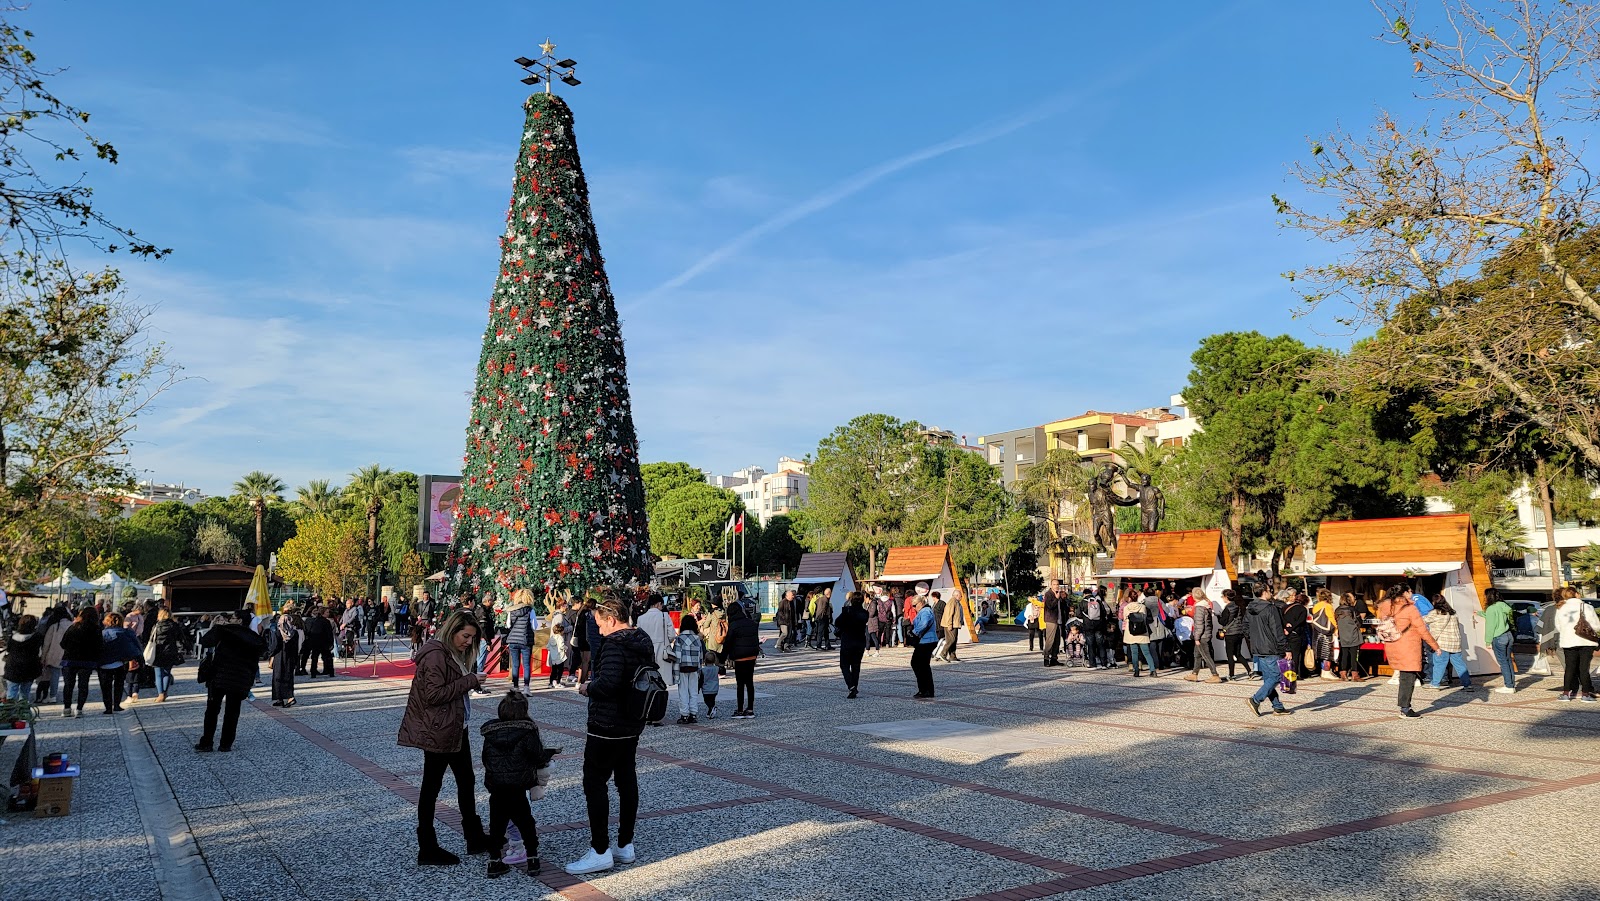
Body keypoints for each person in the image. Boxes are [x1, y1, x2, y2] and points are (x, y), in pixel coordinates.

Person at [566, 588, 652, 876]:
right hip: (632, 722)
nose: (599, 630)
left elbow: (610, 683)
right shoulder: (642, 640)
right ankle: (625, 844)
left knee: (594, 782)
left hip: (607, 724)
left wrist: (588, 687)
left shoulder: (615, 644)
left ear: (612, 619)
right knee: (626, 780)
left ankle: (600, 850)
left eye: (601, 624)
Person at [399, 608, 491, 865]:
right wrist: (470, 680)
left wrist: (469, 680)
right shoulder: (436, 655)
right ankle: (427, 847)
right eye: (465, 636)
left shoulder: (450, 653)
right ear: (452, 631)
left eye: (472, 638)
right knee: (431, 787)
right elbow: (434, 695)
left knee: (466, 781)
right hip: (439, 730)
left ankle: (474, 837)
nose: (468, 642)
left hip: (454, 727)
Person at [481, 689, 557, 878]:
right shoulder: (527, 732)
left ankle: (494, 861)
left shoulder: (490, 734)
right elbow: (538, 757)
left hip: (497, 788)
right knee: (526, 823)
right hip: (517, 787)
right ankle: (532, 859)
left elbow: (485, 759)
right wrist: (549, 753)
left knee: (496, 825)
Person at [195, 610, 268, 752]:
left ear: (239, 620)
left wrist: (215, 627)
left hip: (219, 676)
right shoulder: (254, 638)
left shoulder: (224, 631)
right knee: (232, 712)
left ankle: (207, 742)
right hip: (239, 679)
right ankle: (226, 744)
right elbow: (255, 662)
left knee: (212, 710)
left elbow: (205, 642)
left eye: (233, 618)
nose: (230, 620)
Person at [1376, 584, 1438, 718]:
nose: (1412, 593)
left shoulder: (1385, 607)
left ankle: (1404, 706)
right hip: (1408, 646)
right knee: (1408, 677)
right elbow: (1422, 629)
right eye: (1410, 591)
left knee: (1405, 676)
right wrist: (1435, 646)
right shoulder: (1410, 609)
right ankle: (1405, 708)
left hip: (1392, 644)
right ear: (1405, 593)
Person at [1245, 587, 1292, 717]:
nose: (1271, 592)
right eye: (1269, 590)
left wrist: (1254, 639)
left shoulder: (1249, 608)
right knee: (1277, 676)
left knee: (1268, 679)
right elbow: (1277, 630)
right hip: (1271, 648)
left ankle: (1278, 707)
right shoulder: (1270, 608)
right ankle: (1255, 699)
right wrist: (1286, 648)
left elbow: (1245, 627)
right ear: (1264, 592)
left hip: (1258, 647)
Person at [1553, 586, 1599, 702]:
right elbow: (1596, 626)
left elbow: (1558, 627)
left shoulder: (1561, 608)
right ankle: (1585, 694)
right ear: (1576, 594)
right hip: (1586, 641)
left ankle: (1566, 694)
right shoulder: (1587, 607)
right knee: (1584, 668)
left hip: (1568, 641)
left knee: (1570, 668)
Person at [1424, 596, 1473, 691]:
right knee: (1459, 664)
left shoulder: (1435, 613)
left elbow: (1423, 620)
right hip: (1455, 643)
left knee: (1439, 664)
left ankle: (1435, 684)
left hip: (1442, 643)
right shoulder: (1453, 613)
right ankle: (1467, 685)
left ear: (1434, 603)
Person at [59, 609, 102, 717]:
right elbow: (99, 646)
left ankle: (67, 708)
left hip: (70, 660)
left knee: (68, 685)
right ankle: (79, 709)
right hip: (87, 661)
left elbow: (63, 643)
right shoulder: (96, 629)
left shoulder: (73, 627)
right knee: (83, 685)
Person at [98, 612, 142, 714]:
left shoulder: (101, 634)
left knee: (105, 687)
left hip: (104, 664)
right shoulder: (126, 633)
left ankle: (108, 707)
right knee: (119, 685)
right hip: (120, 663)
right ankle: (117, 705)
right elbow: (135, 647)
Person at [724, 601, 761, 719]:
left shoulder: (734, 625)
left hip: (739, 657)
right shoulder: (752, 623)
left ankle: (740, 710)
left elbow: (728, 642)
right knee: (749, 682)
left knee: (740, 684)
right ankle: (750, 709)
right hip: (751, 656)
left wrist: (722, 657)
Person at [669, 614, 704, 723]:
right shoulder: (697, 639)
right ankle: (693, 714)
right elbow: (700, 656)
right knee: (693, 692)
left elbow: (676, 656)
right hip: (694, 668)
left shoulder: (679, 639)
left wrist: (675, 673)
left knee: (683, 692)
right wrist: (699, 669)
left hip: (683, 668)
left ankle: (684, 715)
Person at [834, 591, 870, 699]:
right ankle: (854, 686)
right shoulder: (865, 613)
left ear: (852, 600)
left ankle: (851, 686)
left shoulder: (847, 611)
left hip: (848, 641)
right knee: (856, 666)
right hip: (860, 641)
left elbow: (837, 622)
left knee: (844, 665)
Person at [1481, 588, 1517, 694]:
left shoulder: (1491, 608)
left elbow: (1490, 626)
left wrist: (1487, 641)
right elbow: (1499, 617)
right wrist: (1481, 613)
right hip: (1508, 635)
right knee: (1508, 660)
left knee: (1503, 662)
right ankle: (1511, 684)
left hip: (1499, 637)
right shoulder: (1503, 605)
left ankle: (1509, 686)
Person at [33, 604, 71, 705]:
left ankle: (53, 695)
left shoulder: (54, 627)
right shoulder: (72, 625)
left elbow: (46, 643)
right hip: (70, 655)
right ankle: (68, 695)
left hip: (55, 655)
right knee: (69, 677)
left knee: (55, 676)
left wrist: (43, 657)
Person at [1184, 588, 1223, 683]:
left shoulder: (1199, 607)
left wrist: (1196, 638)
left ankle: (1215, 675)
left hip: (1202, 636)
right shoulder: (1206, 605)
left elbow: (1199, 624)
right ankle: (1194, 674)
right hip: (1206, 633)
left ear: (1194, 596)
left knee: (1206, 656)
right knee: (1197, 655)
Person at [147, 609, 186, 703]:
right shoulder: (174, 625)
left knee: (158, 674)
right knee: (167, 673)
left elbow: (151, 638)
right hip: (170, 651)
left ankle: (160, 694)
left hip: (158, 651)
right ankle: (165, 692)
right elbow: (181, 638)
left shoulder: (157, 626)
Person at [504, 589, 540, 691]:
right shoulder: (530, 610)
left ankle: (515, 687)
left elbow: (508, 625)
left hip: (513, 640)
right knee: (526, 665)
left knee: (515, 665)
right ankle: (526, 687)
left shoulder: (511, 610)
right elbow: (535, 626)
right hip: (525, 639)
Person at [3, 614, 44, 701]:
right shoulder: (37, 637)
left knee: (11, 693)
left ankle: (10, 708)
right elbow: (40, 652)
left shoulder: (13, 637)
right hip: (29, 668)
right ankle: (23, 708)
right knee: (25, 693)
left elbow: (8, 650)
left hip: (13, 668)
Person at [266, 606, 300, 708]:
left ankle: (285, 698)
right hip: (291, 657)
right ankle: (285, 698)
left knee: (278, 677)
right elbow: (296, 647)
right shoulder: (294, 633)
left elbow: (275, 646)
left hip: (279, 657)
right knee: (288, 676)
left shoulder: (278, 632)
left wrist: (270, 655)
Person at [635, 594, 675, 676]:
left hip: (647, 653)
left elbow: (639, 637)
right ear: (659, 604)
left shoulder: (641, 618)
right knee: (664, 679)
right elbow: (672, 636)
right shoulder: (665, 616)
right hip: (663, 654)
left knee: (649, 678)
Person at [907, 591, 938, 699]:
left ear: (920, 603)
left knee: (918, 664)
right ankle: (926, 689)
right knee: (922, 665)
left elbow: (924, 624)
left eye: (914, 605)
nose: (914, 608)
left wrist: (914, 632)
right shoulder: (925, 610)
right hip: (926, 641)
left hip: (927, 641)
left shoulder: (925, 611)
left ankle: (925, 690)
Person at [1121, 589, 1157, 677]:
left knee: (1134, 652)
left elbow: (1125, 619)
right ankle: (1153, 670)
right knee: (1146, 652)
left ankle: (1136, 671)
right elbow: (1144, 617)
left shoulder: (1126, 608)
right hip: (1142, 631)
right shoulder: (1142, 607)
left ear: (1129, 598)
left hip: (1131, 632)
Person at [1218, 589, 1253, 679]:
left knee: (1230, 655)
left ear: (1226, 597)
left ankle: (1231, 675)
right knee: (1238, 654)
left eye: (1222, 596)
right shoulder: (1238, 606)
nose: (1222, 598)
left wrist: (1218, 617)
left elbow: (1223, 621)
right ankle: (1249, 671)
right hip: (1239, 632)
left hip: (1230, 633)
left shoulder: (1227, 608)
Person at [1334, 592, 1366, 681]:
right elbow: (1359, 622)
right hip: (1353, 634)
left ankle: (1343, 674)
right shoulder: (1353, 610)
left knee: (1344, 654)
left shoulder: (1337, 610)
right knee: (1353, 655)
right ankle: (1355, 675)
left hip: (1343, 634)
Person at [1078, 590, 1109, 669]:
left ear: (1084, 594)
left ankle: (1093, 664)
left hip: (1088, 626)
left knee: (1090, 645)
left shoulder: (1082, 602)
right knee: (1101, 644)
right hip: (1099, 626)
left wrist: (1086, 618)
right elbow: (1104, 613)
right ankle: (1104, 663)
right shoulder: (1098, 601)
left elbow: (1078, 614)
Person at [302, 605, 336, 678]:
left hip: (315, 642)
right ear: (323, 613)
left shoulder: (315, 621)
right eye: (327, 612)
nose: (328, 614)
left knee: (315, 658)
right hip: (324, 642)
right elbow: (329, 633)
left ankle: (313, 672)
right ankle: (330, 672)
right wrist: (331, 642)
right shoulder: (326, 621)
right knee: (328, 657)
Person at [1040, 580, 1067, 666]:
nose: (1056, 586)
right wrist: (1056, 598)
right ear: (1051, 585)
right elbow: (1050, 606)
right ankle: (1046, 658)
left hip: (1059, 620)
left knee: (1057, 641)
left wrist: (1063, 599)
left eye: (1057, 584)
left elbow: (1062, 607)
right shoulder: (1048, 594)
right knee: (1050, 640)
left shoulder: (1058, 593)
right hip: (1051, 620)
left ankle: (1054, 658)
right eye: (1054, 584)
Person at [938, 588, 966, 663]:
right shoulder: (952, 601)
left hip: (954, 624)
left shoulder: (956, 601)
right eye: (960, 596)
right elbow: (949, 614)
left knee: (954, 640)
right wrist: (949, 624)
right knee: (951, 640)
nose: (961, 597)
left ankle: (953, 657)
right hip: (951, 625)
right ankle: (943, 654)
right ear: (956, 595)